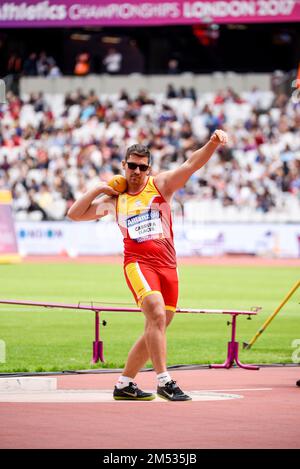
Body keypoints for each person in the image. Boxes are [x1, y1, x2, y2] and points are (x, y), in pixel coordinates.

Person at [67, 129, 228, 401]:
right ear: (123, 166)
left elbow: (191, 164)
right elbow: (75, 214)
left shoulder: (161, 185)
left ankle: (124, 384)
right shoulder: (114, 201)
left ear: (148, 168)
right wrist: (98, 188)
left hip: (168, 267)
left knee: (158, 325)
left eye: (142, 167)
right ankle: (164, 380)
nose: (136, 171)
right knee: (155, 312)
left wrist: (212, 143)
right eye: (132, 166)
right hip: (138, 264)